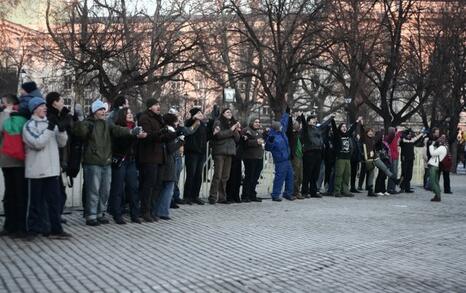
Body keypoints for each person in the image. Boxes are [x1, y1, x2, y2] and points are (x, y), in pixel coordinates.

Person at [74, 99, 145, 226]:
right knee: (93, 190)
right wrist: (80, 119)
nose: (103, 112)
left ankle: (101, 213)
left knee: (104, 190)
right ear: (94, 111)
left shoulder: (107, 123)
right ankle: (91, 215)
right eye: (100, 110)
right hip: (93, 161)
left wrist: (131, 131)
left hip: (106, 161)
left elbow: (118, 130)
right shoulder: (88, 123)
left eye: (103, 109)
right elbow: (80, 133)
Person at [22, 97, 71, 238]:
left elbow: (62, 143)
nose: (45, 108)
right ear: (34, 109)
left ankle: (55, 229)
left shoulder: (51, 123)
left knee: (54, 203)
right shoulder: (29, 125)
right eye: (42, 106)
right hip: (36, 171)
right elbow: (37, 143)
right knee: (35, 203)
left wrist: (61, 130)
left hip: (52, 170)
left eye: (45, 106)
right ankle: (32, 229)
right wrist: (50, 128)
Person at [137, 98, 176, 222]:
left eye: (159, 104)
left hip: (160, 156)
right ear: (150, 107)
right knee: (148, 185)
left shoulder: (160, 119)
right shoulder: (144, 118)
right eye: (155, 105)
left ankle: (153, 210)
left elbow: (166, 135)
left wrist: (171, 133)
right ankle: (145, 211)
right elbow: (148, 136)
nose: (158, 106)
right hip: (149, 156)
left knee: (157, 185)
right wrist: (161, 133)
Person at [108, 108, 145, 224]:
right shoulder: (117, 128)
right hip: (121, 160)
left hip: (131, 161)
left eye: (131, 113)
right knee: (118, 188)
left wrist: (139, 137)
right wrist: (133, 135)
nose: (130, 115)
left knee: (133, 187)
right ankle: (117, 214)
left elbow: (136, 147)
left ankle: (135, 214)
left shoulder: (135, 127)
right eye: (127, 113)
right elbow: (120, 145)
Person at [0, 94, 27, 237]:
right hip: (10, 161)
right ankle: (13, 225)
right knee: (13, 194)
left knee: (16, 194)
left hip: (15, 161)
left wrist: (4, 114)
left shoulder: (17, 118)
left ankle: (17, 226)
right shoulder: (18, 117)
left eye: (2, 103)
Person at [46, 92, 74, 222]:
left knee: (61, 190)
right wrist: (65, 119)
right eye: (61, 100)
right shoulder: (50, 116)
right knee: (56, 191)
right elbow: (59, 130)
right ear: (54, 103)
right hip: (52, 159)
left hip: (61, 157)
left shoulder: (59, 115)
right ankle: (53, 216)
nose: (63, 102)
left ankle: (56, 214)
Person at [208, 108, 240, 204]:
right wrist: (231, 130)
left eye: (230, 112)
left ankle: (222, 197)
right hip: (219, 151)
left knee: (225, 176)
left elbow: (237, 139)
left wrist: (235, 131)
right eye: (227, 112)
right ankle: (212, 197)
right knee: (218, 175)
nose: (230, 113)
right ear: (223, 114)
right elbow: (218, 135)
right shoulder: (218, 122)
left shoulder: (232, 123)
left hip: (230, 152)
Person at [155, 113, 184, 220]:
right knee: (168, 187)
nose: (178, 123)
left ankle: (158, 210)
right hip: (169, 161)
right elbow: (171, 148)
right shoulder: (170, 131)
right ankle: (163, 211)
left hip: (165, 161)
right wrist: (181, 140)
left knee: (164, 187)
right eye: (176, 121)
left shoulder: (165, 129)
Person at [182, 107, 213, 205]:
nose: (201, 114)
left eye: (201, 113)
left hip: (201, 152)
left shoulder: (203, 124)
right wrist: (193, 119)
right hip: (192, 152)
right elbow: (186, 128)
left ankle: (195, 196)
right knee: (191, 174)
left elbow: (207, 136)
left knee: (198, 175)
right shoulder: (190, 122)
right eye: (198, 113)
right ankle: (187, 196)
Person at [300, 113, 333, 198]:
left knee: (315, 174)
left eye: (315, 119)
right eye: (312, 119)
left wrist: (331, 118)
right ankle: (304, 191)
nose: (315, 120)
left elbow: (324, 125)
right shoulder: (306, 128)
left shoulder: (317, 128)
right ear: (308, 121)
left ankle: (313, 191)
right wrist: (302, 116)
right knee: (307, 173)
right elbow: (303, 123)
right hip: (309, 152)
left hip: (318, 153)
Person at [265, 109, 293, 201]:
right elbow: (268, 148)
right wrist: (270, 142)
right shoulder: (272, 136)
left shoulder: (281, 132)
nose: (282, 127)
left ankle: (288, 193)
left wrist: (286, 113)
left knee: (290, 176)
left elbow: (284, 121)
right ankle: (275, 194)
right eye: (281, 126)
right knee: (279, 177)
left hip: (287, 159)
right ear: (277, 128)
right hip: (280, 160)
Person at [360, 124, 394, 197]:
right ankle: (370, 190)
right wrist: (361, 125)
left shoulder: (373, 139)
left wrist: (383, 130)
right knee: (371, 175)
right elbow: (362, 132)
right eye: (369, 131)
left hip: (375, 157)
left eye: (371, 131)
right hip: (368, 159)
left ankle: (394, 179)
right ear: (366, 133)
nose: (370, 133)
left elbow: (379, 137)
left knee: (384, 167)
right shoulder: (364, 139)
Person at [331, 117, 361, 197]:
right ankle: (337, 191)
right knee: (339, 174)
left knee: (347, 174)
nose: (344, 128)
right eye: (342, 127)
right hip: (340, 158)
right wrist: (332, 120)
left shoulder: (348, 135)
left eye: (345, 127)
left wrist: (357, 121)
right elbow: (334, 128)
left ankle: (345, 190)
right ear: (339, 128)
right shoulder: (337, 135)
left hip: (347, 158)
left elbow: (352, 129)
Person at [241, 115, 265, 202]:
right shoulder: (246, 130)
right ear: (251, 122)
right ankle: (245, 195)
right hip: (250, 157)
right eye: (256, 122)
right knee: (249, 177)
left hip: (259, 157)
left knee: (255, 177)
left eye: (259, 122)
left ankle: (252, 194)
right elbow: (244, 143)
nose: (257, 124)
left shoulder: (259, 132)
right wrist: (256, 142)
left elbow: (262, 140)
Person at [399, 129, 426, 193]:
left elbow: (417, 138)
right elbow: (401, 138)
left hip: (411, 158)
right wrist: (404, 133)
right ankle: (402, 187)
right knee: (404, 173)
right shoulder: (403, 140)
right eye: (408, 134)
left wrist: (422, 134)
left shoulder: (411, 140)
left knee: (409, 174)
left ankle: (407, 188)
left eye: (410, 134)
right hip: (404, 159)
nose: (409, 135)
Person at [287, 115, 303, 200]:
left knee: (300, 176)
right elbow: (289, 127)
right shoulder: (291, 134)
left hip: (300, 156)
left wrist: (300, 117)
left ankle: (298, 191)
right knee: (295, 175)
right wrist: (290, 117)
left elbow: (300, 124)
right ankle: (294, 192)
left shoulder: (299, 133)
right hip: (295, 156)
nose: (299, 126)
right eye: (297, 125)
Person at [428, 136, 447, 202]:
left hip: (434, 166)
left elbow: (432, 153)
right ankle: (437, 196)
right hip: (436, 166)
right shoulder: (443, 147)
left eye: (439, 140)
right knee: (436, 182)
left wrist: (431, 145)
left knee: (432, 182)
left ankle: (438, 195)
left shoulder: (441, 148)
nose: (438, 141)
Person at [386, 127, 402, 194]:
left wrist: (399, 131)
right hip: (392, 156)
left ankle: (392, 188)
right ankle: (391, 188)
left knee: (394, 172)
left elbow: (399, 135)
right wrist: (398, 131)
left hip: (395, 156)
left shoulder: (393, 137)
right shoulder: (390, 138)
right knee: (393, 172)